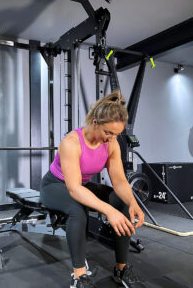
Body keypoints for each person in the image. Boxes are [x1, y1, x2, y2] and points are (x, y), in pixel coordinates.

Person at [40, 90, 146, 288]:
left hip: (82, 185)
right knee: (77, 208)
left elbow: (120, 181)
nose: (111, 138)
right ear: (95, 122)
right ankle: (79, 276)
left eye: (115, 134)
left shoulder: (112, 143)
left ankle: (121, 269)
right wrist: (108, 211)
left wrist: (133, 202)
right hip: (55, 186)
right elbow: (73, 189)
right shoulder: (71, 143)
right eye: (108, 132)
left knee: (120, 200)